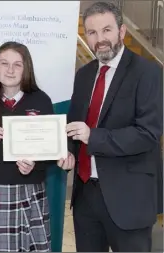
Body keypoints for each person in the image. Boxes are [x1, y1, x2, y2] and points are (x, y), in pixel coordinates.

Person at [66, 2, 163, 252]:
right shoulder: (84, 74)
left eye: (106, 30)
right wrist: (68, 152)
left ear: (122, 32)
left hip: (128, 198)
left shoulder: (148, 73)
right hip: (86, 195)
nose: (100, 39)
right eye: (92, 32)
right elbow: (75, 126)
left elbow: (148, 133)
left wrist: (93, 136)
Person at [0, 41, 70, 252]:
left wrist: (34, 165)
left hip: (28, 191)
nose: (10, 70)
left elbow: (50, 151)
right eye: (4, 63)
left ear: (26, 68)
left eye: (17, 64)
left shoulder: (41, 101)